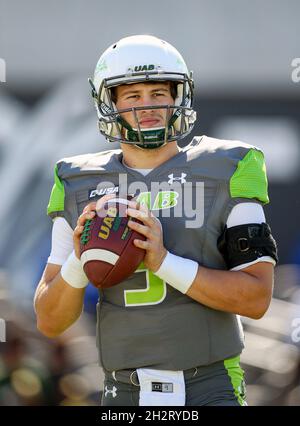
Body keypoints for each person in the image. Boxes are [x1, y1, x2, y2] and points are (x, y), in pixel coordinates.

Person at [34, 35, 278, 406]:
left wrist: (163, 262)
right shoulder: (77, 181)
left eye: (158, 93)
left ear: (178, 97)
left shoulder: (228, 167)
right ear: (109, 103)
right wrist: (82, 258)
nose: (147, 106)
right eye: (132, 96)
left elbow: (257, 298)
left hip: (210, 387)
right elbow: (50, 320)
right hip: (123, 393)